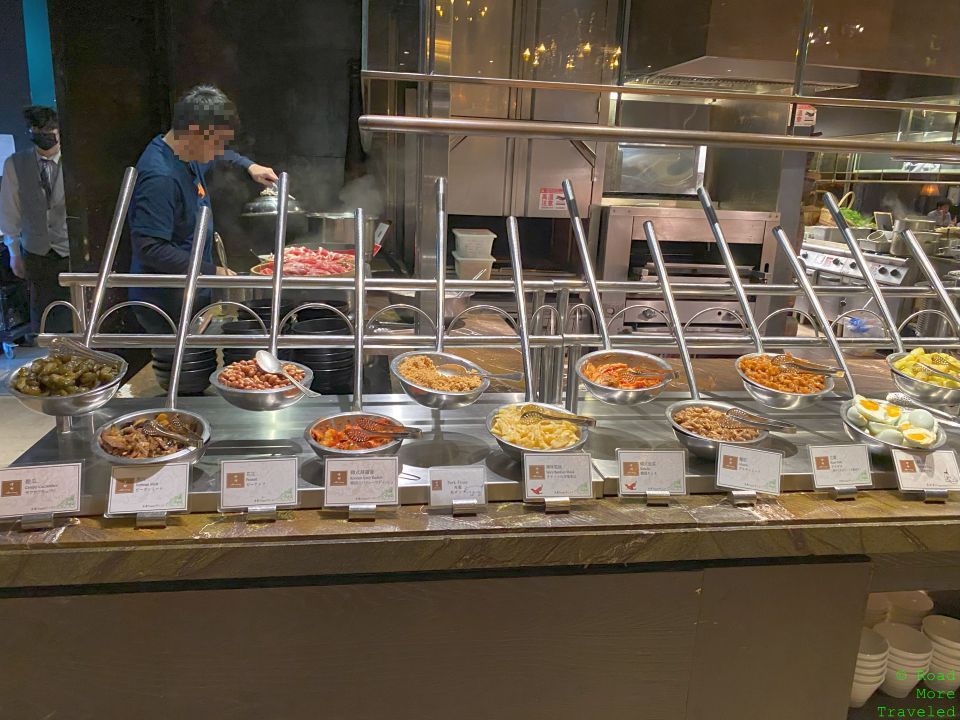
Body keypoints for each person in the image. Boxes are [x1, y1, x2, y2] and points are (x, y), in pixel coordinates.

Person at [127, 85, 277, 333]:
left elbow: (221, 155)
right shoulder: (160, 177)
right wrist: (213, 272)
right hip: (166, 304)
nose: (219, 150)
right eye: (218, 142)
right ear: (196, 132)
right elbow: (150, 248)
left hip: (188, 294)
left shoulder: (185, 153)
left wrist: (249, 166)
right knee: (180, 368)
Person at [0, 105, 71, 338]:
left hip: (71, 250)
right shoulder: (14, 164)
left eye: (49, 129)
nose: (44, 134)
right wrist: (14, 252)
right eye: (37, 129)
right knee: (43, 316)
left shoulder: (75, 160)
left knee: (74, 311)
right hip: (35, 251)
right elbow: (10, 211)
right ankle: (48, 362)